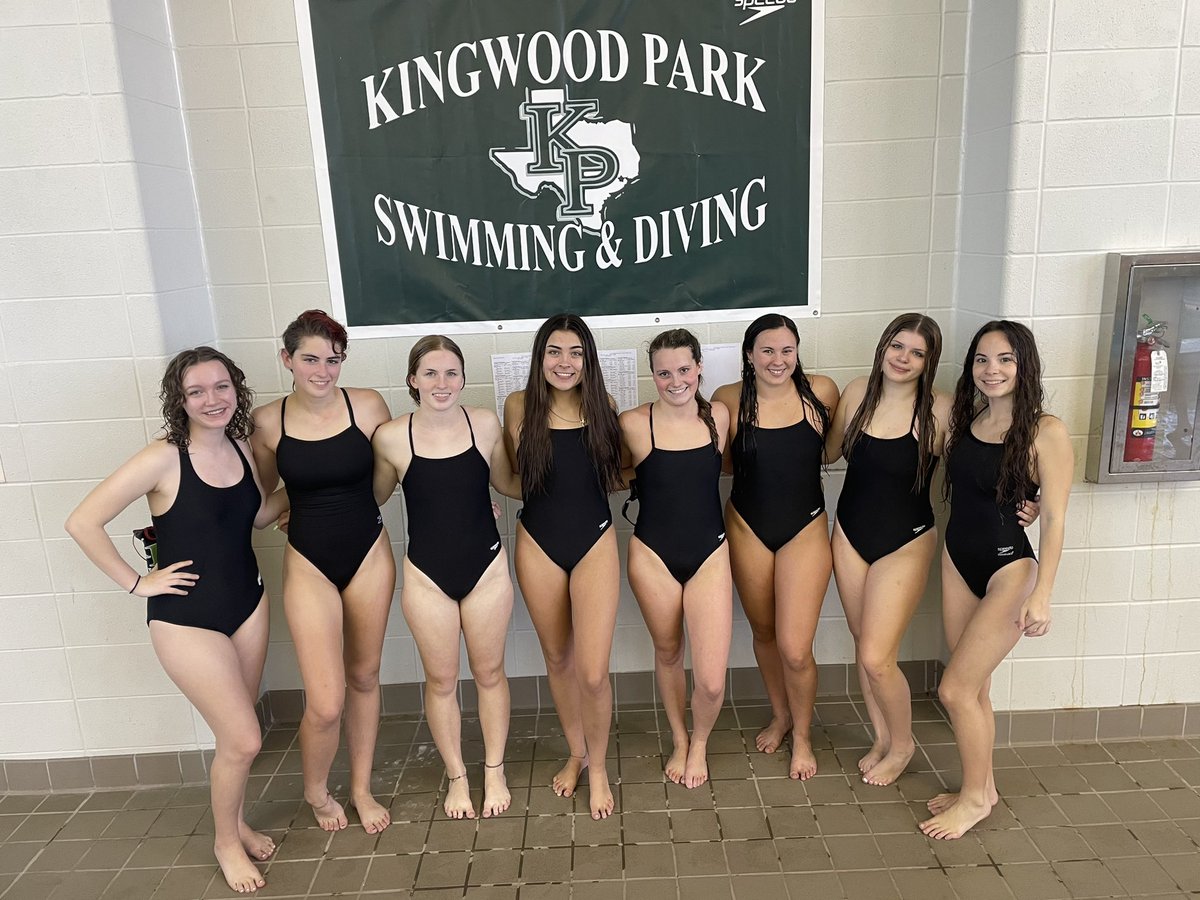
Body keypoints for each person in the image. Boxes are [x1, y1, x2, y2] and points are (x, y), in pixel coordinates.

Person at [66, 347, 288, 894]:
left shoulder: (240, 446)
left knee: (237, 736)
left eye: (221, 386)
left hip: (248, 604)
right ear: (179, 400)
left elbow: (257, 514)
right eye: (196, 391)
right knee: (244, 739)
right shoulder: (163, 458)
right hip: (187, 618)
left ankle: (237, 823)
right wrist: (138, 582)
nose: (212, 399)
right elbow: (83, 521)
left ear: (236, 389)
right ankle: (225, 843)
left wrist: (318, 488)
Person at [920, 320, 1071, 840]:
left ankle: (974, 800)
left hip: (1010, 571)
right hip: (958, 560)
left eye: (1005, 359)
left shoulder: (1046, 431)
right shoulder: (970, 421)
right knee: (974, 688)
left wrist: (1043, 595)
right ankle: (981, 788)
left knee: (955, 690)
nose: (992, 370)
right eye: (982, 360)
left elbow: (1055, 518)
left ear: (1024, 365)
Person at [250, 310, 395, 834]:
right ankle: (316, 790)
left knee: (365, 676)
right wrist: (300, 502)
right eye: (310, 359)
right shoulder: (268, 422)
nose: (322, 371)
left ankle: (360, 788)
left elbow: (390, 478)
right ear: (286, 359)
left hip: (369, 553)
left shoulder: (368, 405)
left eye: (333, 360)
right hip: (309, 561)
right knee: (327, 701)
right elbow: (260, 503)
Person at [373, 335, 521, 820]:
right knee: (441, 681)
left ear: (463, 377)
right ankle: (457, 777)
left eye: (451, 372)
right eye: (430, 373)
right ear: (412, 380)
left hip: (486, 568)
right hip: (426, 575)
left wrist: (569, 488)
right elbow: (370, 498)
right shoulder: (391, 437)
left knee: (489, 673)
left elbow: (505, 481)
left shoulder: (484, 423)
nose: (442, 382)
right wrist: (304, 508)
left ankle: (494, 770)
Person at [502, 313, 624, 819]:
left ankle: (599, 768)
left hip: (594, 542)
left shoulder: (604, 407)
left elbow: (615, 475)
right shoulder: (518, 406)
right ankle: (577, 753)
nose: (565, 362)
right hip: (538, 542)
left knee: (592, 673)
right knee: (558, 659)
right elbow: (513, 478)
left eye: (576, 352)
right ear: (540, 357)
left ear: (588, 359)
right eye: (554, 351)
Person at [713, 313, 839, 780]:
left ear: (797, 352)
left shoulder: (821, 392)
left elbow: (834, 451)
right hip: (747, 527)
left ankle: (803, 735)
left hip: (804, 529)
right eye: (767, 350)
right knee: (764, 632)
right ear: (749, 354)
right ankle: (781, 715)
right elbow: (723, 465)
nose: (778, 360)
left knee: (795, 648)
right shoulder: (729, 399)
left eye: (787, 350)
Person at [825, 314, 945, 787]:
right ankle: (881, 736)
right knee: (865, 645)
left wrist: (1029, 500)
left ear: (929, 362)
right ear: (883, 347)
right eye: (898, 346)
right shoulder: (857, 392)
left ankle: (903, 744)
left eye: (917, 353)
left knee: (878, 656)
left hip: (906, 540)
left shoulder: (939, 409)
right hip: (850, 534)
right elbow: (826, 452)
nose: (903, 358)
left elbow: (979, 465)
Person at [620, 329, 733, 789]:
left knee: (711, 680)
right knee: (668, 652)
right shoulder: (633, 423)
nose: (675, 381)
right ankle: (681, 739)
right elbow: (597, 471)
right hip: (652, 553)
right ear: (653, 375)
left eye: (684, 369)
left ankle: (700, 742)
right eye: (664, 373)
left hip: (710, 553)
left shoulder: (719, 416)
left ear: (699, 367)